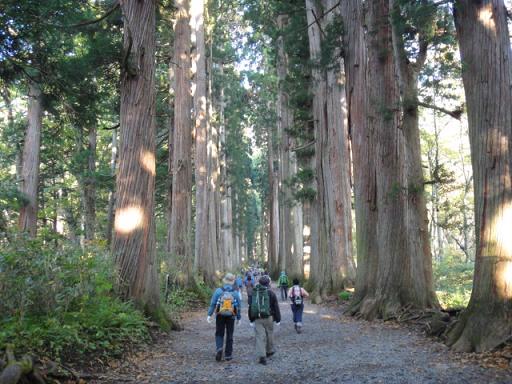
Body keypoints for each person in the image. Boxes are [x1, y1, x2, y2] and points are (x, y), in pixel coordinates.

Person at [207, 273, 242, 362]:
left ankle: (219, 348)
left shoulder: (218, 291)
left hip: (220, 315)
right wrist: (239, 318)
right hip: (231, 315)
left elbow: (213, 304)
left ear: (224, 280)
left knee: (219, 333)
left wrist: (209, 315)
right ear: (233, 281)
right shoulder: (235, 292)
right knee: (230, 334)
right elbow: (238, 306)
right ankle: (228, 355)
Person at [248, 275, 281, 365]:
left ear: (260, 283)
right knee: (269, 333)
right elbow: (276, 307)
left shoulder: (254, 292)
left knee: (260, 336)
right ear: (268, 283)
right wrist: (278, 319)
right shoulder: (271, 293)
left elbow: (251, 306)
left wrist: (251, 319)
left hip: (258, 318)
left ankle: (262, 356)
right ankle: (269, 350)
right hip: (269, 317)